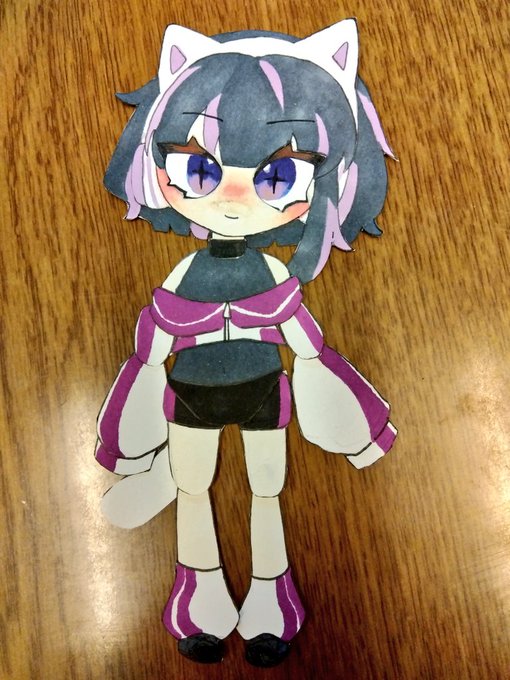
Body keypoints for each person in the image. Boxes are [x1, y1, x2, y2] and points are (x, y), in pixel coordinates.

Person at [96, 19, 397, 667]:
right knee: (194, 487)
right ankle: (198, 594)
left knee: (267, 490)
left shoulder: (272, 275)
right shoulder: (188, 275)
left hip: (263, 390)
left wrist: (347, 417)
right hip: (190, 393)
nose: (233, 196)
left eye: (277, 177)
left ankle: (271, 596)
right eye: (199, 168)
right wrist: (131, 425)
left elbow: (308, 344)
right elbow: (152, 345)